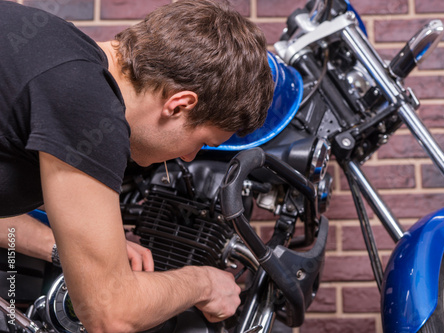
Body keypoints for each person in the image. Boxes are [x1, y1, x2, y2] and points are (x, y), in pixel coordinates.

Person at [0, 0, 274, 331]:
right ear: (179, 105)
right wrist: (203, 284)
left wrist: (70, 248)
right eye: (202, 143)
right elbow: (109, 314)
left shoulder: (59, 52)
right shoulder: (87, 105)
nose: (188, 157)